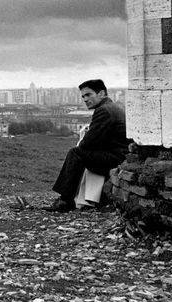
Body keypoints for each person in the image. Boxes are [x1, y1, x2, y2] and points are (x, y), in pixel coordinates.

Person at [43, 79, 129, 212]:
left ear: (101, 93)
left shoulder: (104, 110)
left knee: (76, 153)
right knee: (80, 152)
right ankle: (77, 197)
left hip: (116, 159)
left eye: (88, 95)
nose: (85, 99)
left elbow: (88, 143)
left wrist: (83, 141)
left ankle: (65, 200)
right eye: (83, 96)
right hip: (121, 156)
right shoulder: (113, 107)